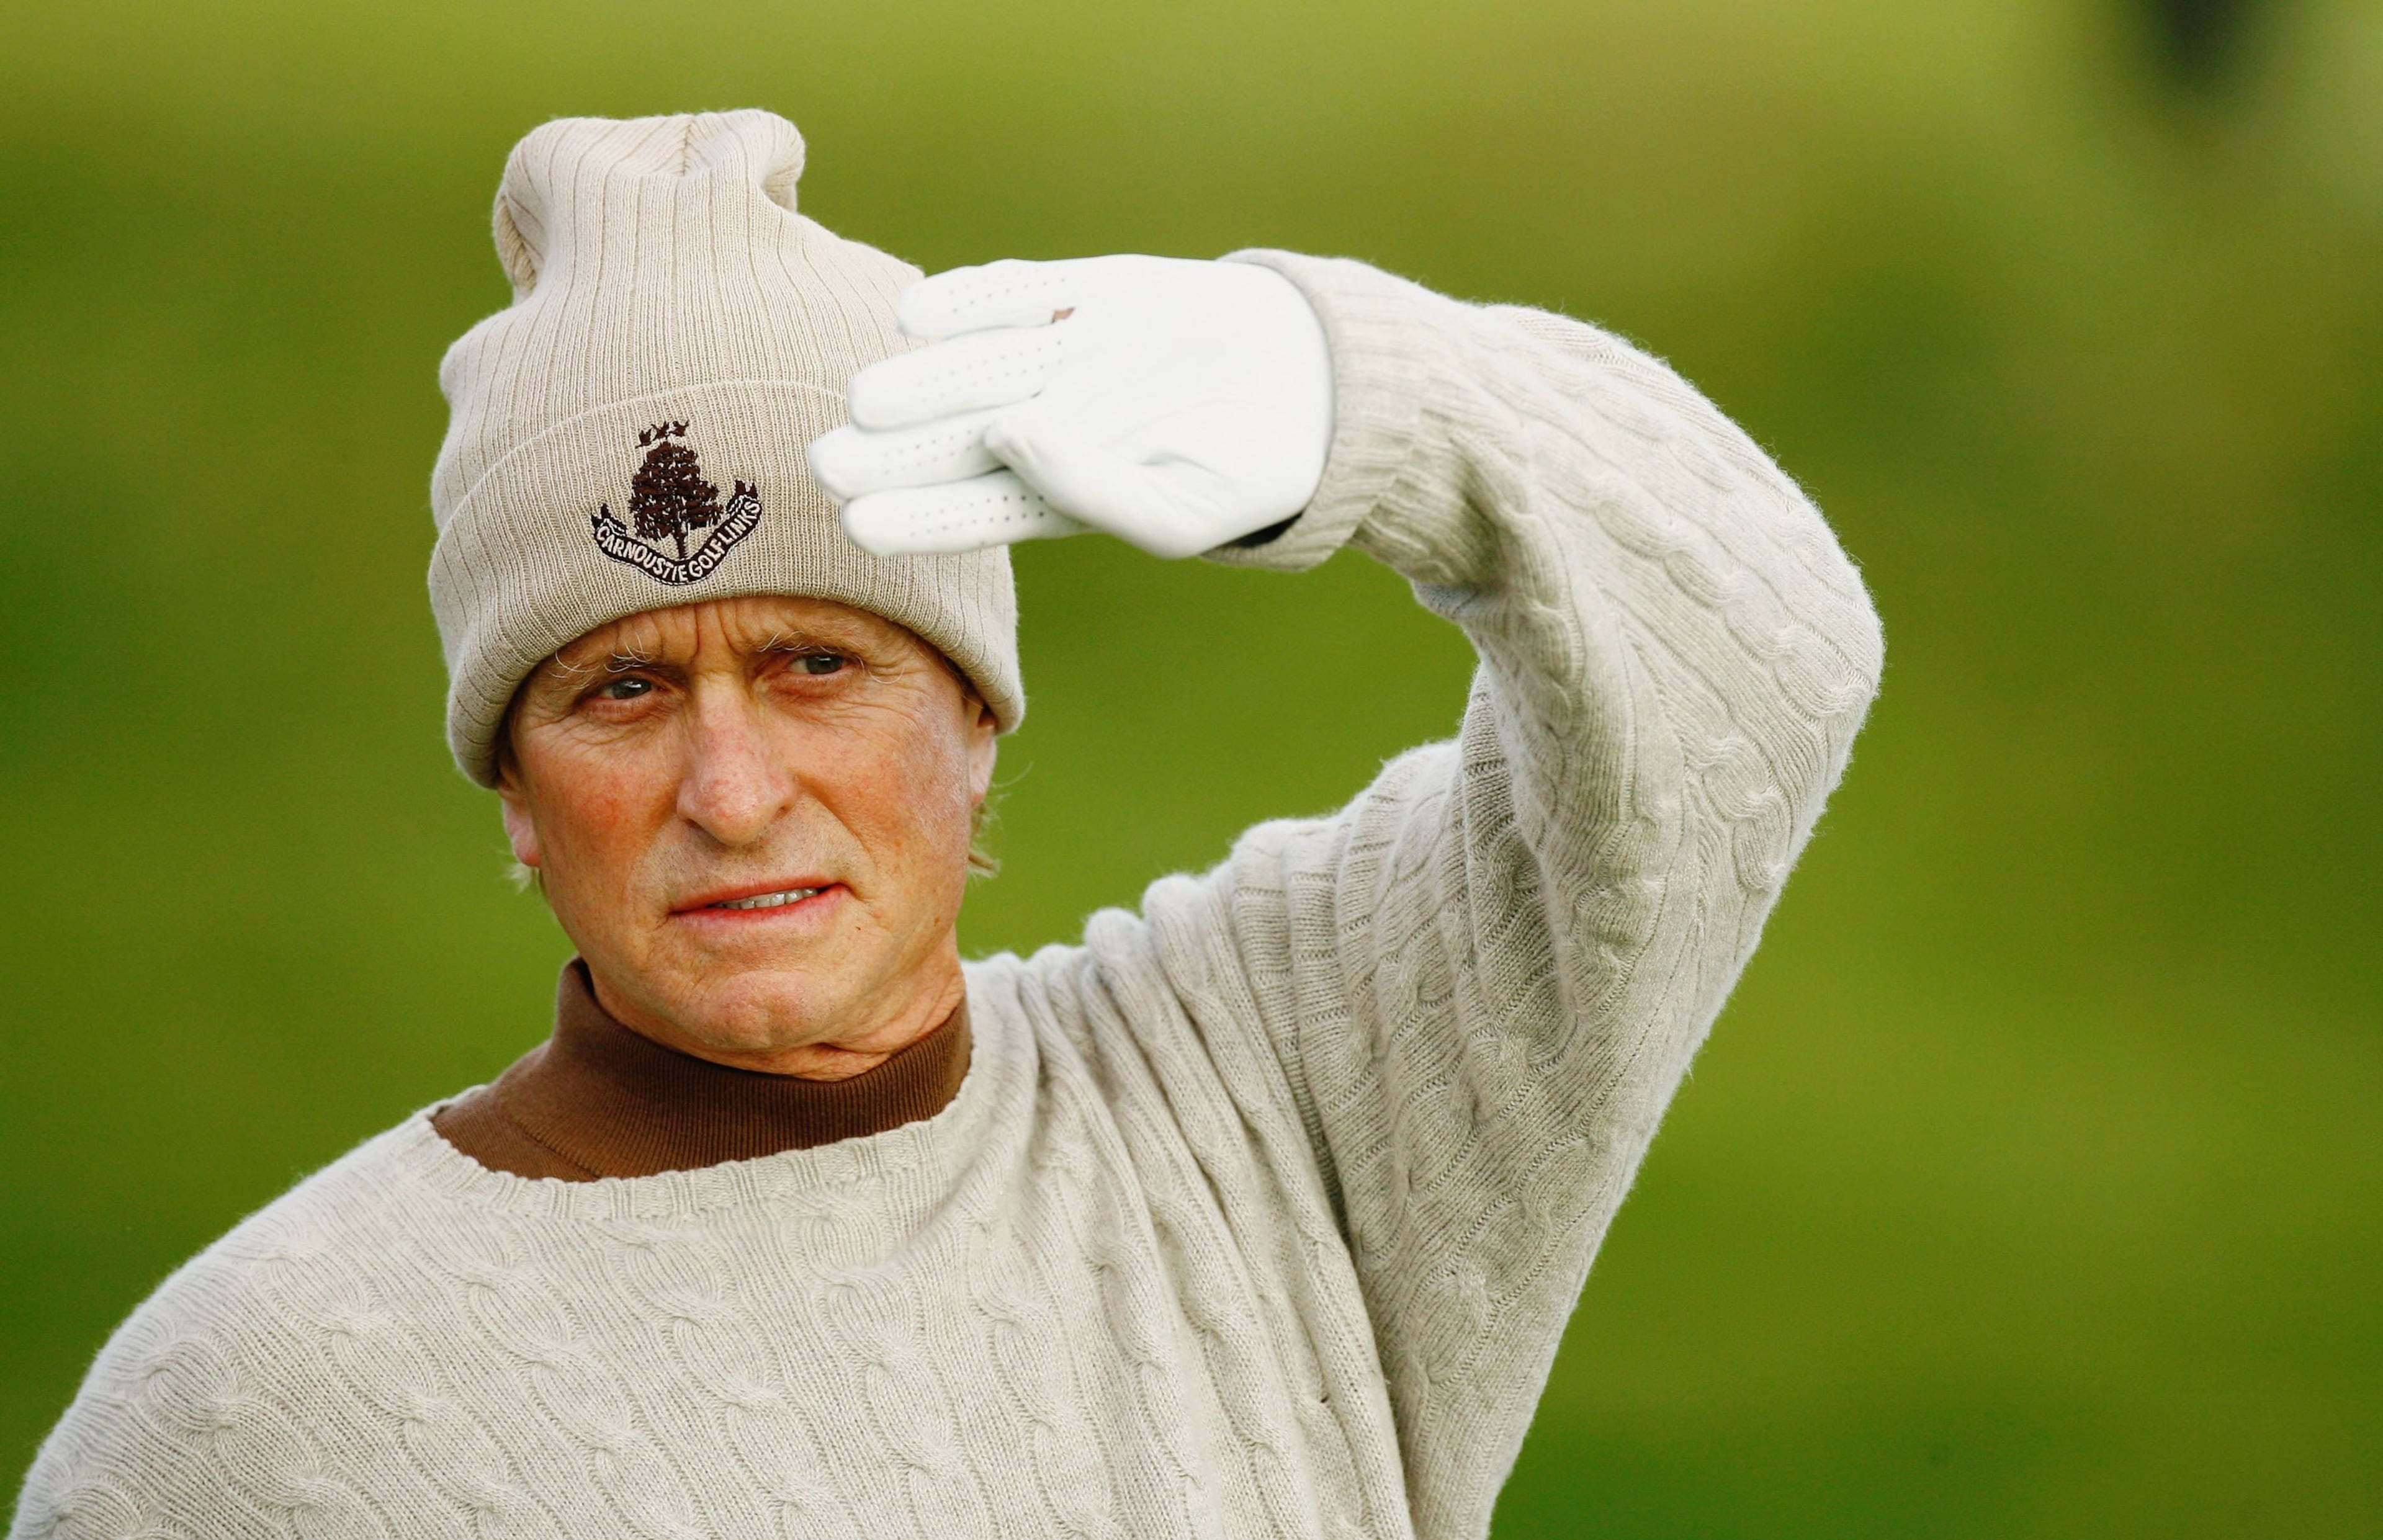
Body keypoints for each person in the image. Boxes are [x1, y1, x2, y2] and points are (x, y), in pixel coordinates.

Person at [11, 109, 1882, 1540]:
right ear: (512, 787)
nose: (733, 795)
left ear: (977, 717)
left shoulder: (1280, 1094)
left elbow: (1759, 662)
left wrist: (1359, 402)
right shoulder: (263, 1411)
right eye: (620, 690)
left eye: (820, 660)